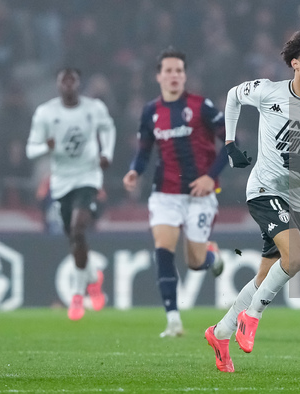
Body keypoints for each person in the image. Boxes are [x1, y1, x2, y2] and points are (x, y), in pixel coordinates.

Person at [205, 29, 300, 372]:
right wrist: (229, 142)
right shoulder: (268, 91)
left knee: (265, 276)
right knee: (297, 257)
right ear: (295, 64)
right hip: (265, 190)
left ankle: (220, 333)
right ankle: (252, 318)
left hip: (299, 200)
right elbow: (233, 97)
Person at [123, 47, 227, 338]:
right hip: (165, 193)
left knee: (195, 262)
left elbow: (232, 143)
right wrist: (134, 171)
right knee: (163, 250)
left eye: (179, 70)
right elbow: (143, 152)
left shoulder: (201, 106)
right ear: (158, 76)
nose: (174, 75)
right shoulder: (150, 111)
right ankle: (173, 320)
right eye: (168, 70)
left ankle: (212, 257)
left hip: (200, 195)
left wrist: (211, 176)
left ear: (184, 75)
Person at [26, 68, 116, 321]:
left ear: (78, 83)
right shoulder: (46, 112)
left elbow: (108, 128)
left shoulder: (93, 108)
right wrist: (46, 145)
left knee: (78, 230)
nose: (67, 85)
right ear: (57, 85)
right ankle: (92, 277)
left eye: (72, 80)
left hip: (88, 176)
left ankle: (77, 295)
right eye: (63, 81)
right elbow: (31, 149)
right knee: (74, 238)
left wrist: (106, 153)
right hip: (61, 181)